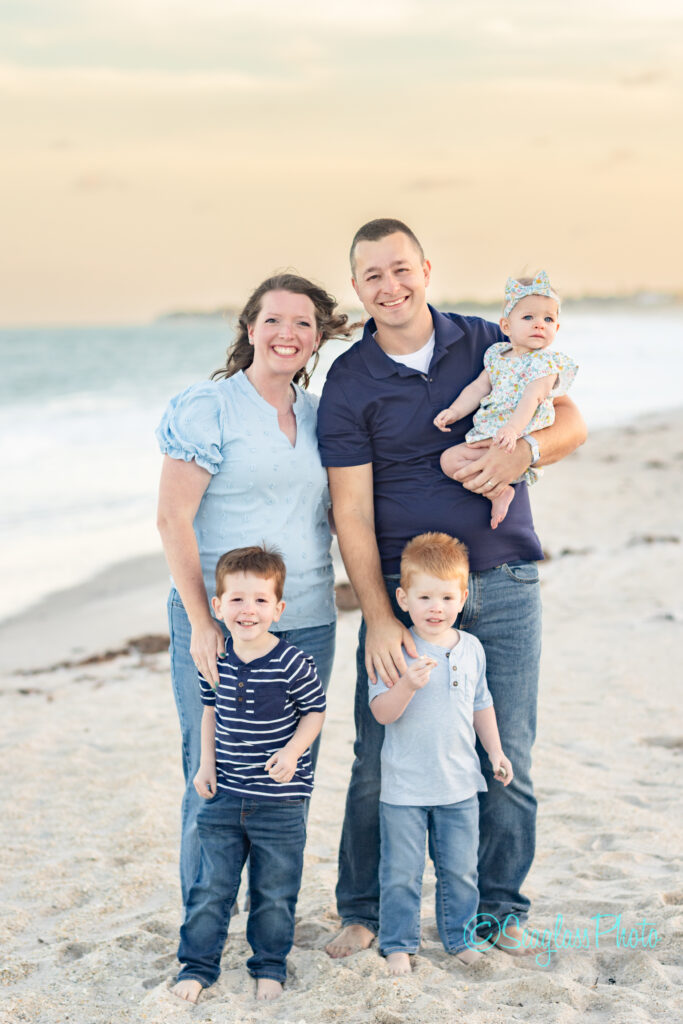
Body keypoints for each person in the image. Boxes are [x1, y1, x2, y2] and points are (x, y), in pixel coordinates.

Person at [317, 218, 587, 959]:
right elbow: (349, 510)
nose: (390, 286)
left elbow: (571, 424)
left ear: (426, 269)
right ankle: (363, 908)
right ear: (357, 288)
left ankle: (499, 914)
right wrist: (376, 616)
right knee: (379, 751)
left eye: (400, 269)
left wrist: (520, 455)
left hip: (501, 582)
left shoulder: (486, 340)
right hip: (407, 599)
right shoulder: (348, 380)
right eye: (372, 275)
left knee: (508, 752)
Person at [156, 274, 353, 907]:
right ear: (249, 329)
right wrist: (201, 621)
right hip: (221, 620)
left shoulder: (322, 415)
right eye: (273, 320)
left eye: (302, 323)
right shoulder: (208, 407)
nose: (287, 334)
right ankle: (204, 920)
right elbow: (171, 519)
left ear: (317, 336)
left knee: (290, 774)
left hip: (307, 619)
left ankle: (271, 920)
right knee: (211, 772)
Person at [172, 545, 326, 1004]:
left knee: (274, 892)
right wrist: (205, 763)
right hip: (223, 798)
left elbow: (314, 713)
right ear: (216, 607)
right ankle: (197, 967)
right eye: (236, 600)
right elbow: (209, 712)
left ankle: (269, 967)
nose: (248, 610)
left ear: (278, 610)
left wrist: (295, 751)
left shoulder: (294, 662)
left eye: (260, 600)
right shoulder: (215, 659)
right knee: (211, 888)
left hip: (280, 803)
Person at [369, 533, 513, 975]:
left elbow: (481, 703)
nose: (436, 606)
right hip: (404, 787)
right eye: (425, 596)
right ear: (403, 597)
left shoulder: (471, 648)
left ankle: (460, 938)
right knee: (401, 874)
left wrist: (496, 751)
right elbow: (381, 713)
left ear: (463, 597)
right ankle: (398, 943)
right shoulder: (396, 648)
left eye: (447, 596)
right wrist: (407, 686)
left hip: (459, 785)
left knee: (460, 871)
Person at [434, 271, 578, 528]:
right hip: (490, 431)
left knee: (474, 460)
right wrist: (455, 411)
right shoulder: (497, 355)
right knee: (449, 460)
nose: (539, 324)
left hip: (518, 433)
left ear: (556, 328)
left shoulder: (546, 363)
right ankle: (498, 492)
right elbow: (478, 388)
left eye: (548, 319)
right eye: (528, 317)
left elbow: (532, 398)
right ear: (506, 326)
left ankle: (500, 487)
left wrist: (512, 430)